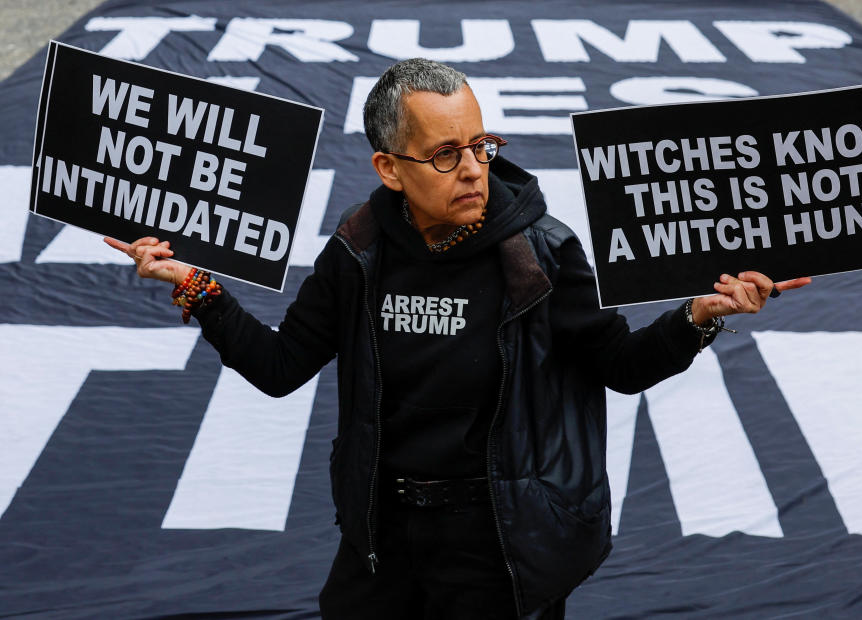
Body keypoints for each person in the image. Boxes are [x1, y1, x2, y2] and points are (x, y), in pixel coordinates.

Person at [106, 58, 810, 619]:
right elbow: (282, 365)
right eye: (445, 154)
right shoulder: (356, 250)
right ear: (389, 168)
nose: (473, 168)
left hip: (500, 542)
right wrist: (198, 287)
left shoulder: (542, 253)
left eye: (479, 144)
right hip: (382, 536)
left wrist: (703, 314)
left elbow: (620, 364)